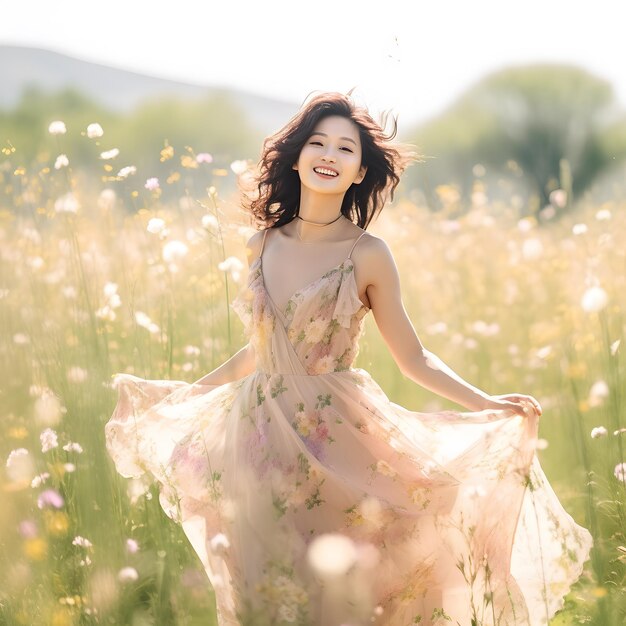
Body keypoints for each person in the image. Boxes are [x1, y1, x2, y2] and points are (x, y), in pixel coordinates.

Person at [105, 91, 592, 626]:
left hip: (336, 434)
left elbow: (414, 357)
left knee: (343, 587)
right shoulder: (260, 244)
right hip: (256, 435)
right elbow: (262, 348)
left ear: (360, 171)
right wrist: (187, 395)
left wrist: (487, 404)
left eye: (345, 148)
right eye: (318, 143)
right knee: (260, 587)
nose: (329, 155)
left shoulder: (368, 253)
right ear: (296, 157)